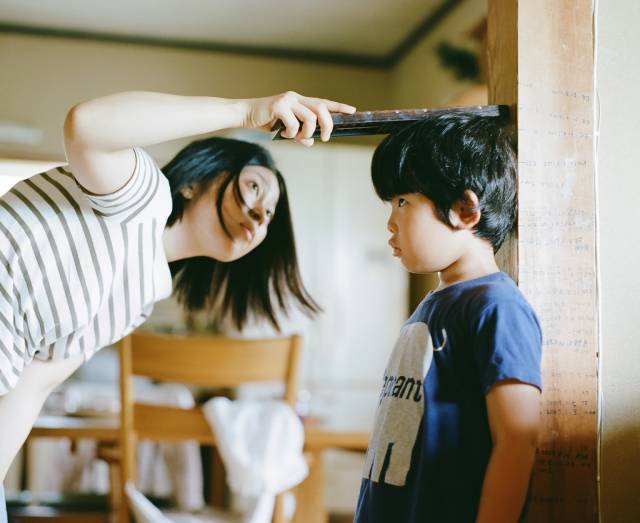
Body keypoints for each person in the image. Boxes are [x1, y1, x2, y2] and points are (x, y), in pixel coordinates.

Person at [0, 90, 356, 487]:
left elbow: (32, 387)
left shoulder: (138, 301)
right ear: (196, 181)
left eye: (270, 214)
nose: (259, 216)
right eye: (255, 188)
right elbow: (85, 125)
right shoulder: (139, 196)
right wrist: (246, 110)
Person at [354, 112, 543, 522]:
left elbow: (517, 439)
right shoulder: (436, 303)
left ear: (464, 209)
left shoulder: (497, 307)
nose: (390, 221)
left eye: (403, 202)